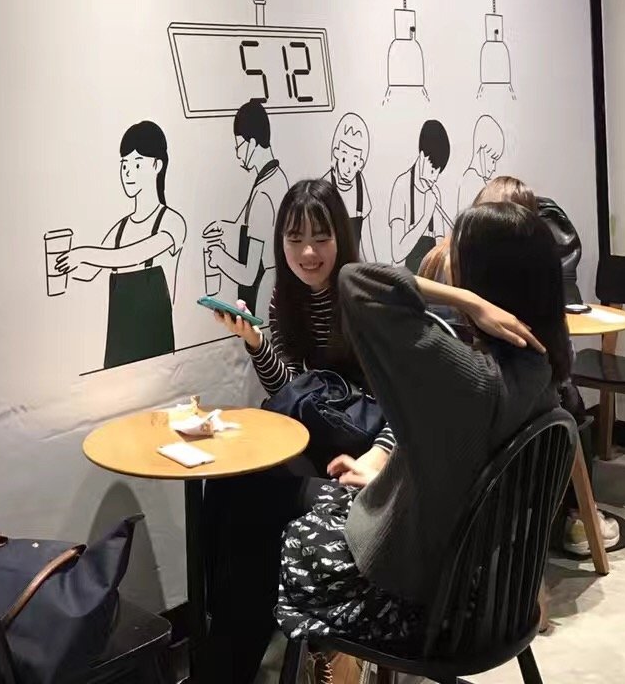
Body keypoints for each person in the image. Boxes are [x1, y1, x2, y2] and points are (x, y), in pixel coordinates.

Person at [276, 201, 571, 654]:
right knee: (332, 499)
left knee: (290, 530)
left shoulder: (471, 377)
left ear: (483, 280)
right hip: (494, 595)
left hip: (428, 604)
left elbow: (355, 280)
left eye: (458, 260)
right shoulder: (541, 368)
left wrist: (468, 301)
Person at [201, 179, 395, 684]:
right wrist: (256, 343)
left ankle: (234, 657)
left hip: (365, 464)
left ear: (342, 238)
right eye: (295, 239)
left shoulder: (368, 301)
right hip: (316, 447)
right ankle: (228, 640)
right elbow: (295, 392)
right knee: (227, 482)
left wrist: (377, 457)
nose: (308, 253)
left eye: (321, 237)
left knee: (254, 504)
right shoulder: (284, 299)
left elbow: (405, 405)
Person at [419, 177, 620, 560]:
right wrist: (473, 302)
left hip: (459, 399)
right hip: (491, 401)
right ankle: (575, 515)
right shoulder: (482, 271)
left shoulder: (445, 260)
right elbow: (557, 359)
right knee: (569, 411)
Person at [53, 121, 185, 369]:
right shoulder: (120, 229)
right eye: (124, 165)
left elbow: (131, 256)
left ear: (157, 165)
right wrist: (61, 263)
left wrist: (83, 253)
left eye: (137, 164)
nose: (128, 172)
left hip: (156, 354)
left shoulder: (172, 223)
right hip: (118, 353)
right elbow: (88, 272)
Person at [202, 99, 289, 319]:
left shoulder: (262, 194)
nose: (238, 154)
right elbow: (253, 226)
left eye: (238, 146)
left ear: (251, 143)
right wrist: (225, 227)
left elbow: (249, 275)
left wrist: (219, 258)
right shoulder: (276, 178)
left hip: (264, 293)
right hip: (277, 287)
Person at [388, 119, 451, 271]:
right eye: (432, 170)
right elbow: (397, 253)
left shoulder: (434, 192)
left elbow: (439, 246)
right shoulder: (402, 187)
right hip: (405, 279)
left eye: (438, 172)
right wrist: (426, 215)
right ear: (422, 156)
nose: (434, 178)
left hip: (430, 278)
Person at [323, 112, 377, 262]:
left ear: (360, 163)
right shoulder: (323, 188)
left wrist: (376, 270)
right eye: (344, 159)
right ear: (336, 153)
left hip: (354, 269)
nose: (348, 169)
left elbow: (367, 242)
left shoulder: (360, 188)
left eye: (354, 163)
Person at [457, 114, 505, 215]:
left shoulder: (471, 177)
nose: (494, 168)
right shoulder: (473, 180)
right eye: (492, 159)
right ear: (482, 149)